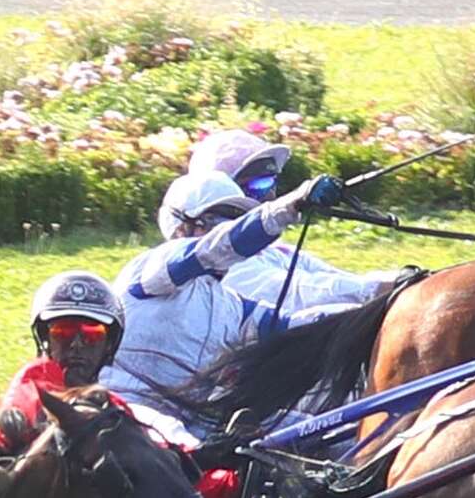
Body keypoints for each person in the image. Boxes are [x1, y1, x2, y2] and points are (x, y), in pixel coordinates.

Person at [105, 166, 346, 432]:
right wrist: (291, 205)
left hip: (196, 421)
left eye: (239, 220)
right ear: (181, 226)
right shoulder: (152, 268)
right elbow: (214, 249)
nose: (229, 232)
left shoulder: (229, 306)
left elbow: (297, 325)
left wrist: (379, 309)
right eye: (221, 223)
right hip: (128, 417)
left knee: (327, 433)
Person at [186, 129, 382, 327]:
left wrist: (402, 282)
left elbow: (345, 280)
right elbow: (301, 294)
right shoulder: (223, 266)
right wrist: (385, 289)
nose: (271, 195)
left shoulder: (275, 251)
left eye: (272, 181)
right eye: (260, 184)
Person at [0, 269, 132, 446]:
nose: (76, 344)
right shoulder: (28, 393)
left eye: (92, 333)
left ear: (109, 344)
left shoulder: (116, 405)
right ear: (45, 339)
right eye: (62, 331)